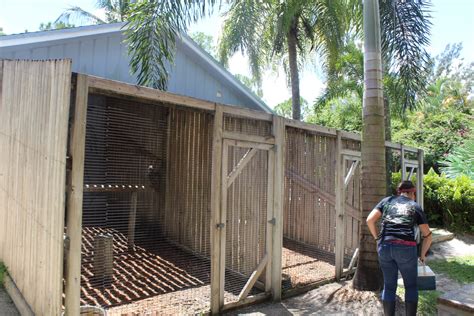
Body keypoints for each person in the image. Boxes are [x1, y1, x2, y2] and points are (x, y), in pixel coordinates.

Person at [366, 180, 432, 316]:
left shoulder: (387, 201)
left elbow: (369, 220)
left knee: (389, 287)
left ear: (399, 192)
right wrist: (423, 254)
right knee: (411, 286)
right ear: (413, 193)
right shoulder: (415, 206)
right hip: (406, 248)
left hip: (385, 246)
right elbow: (428, 235)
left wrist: (377, 238)